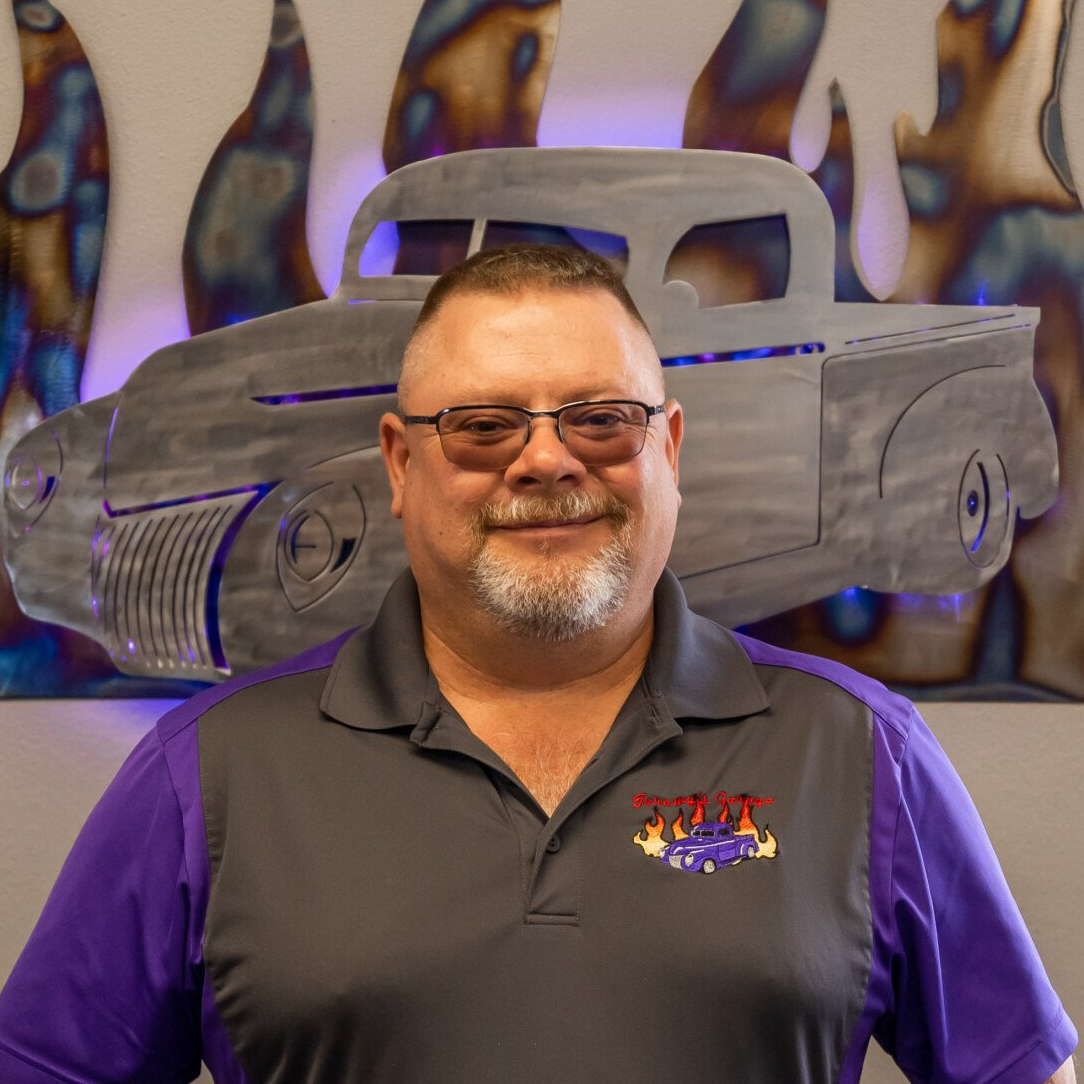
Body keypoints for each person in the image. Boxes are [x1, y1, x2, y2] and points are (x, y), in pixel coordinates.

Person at [0, 244, 1076, 1084]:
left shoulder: (862, 753)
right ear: (398, 462)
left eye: (601, 419)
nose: (547, 457)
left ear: (668, 449)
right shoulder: (206, 776)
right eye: (482, 425)